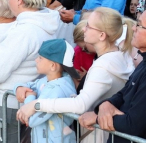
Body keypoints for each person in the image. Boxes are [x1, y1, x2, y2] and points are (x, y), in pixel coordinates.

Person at [17, 7, 135, 143]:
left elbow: (80, 105)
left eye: (89, 27)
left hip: (99, 133)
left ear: (102, 35)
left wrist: (36, 105)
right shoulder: (119, 55)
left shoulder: (103, 66)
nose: (84, 29)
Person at [0, 0, 66, 143]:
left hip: (5, 104)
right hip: (20, 100)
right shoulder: (45, 21)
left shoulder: (24, 32)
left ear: (19, 0)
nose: (8, 0)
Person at [79, 3, 146, 143]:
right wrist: (105, 105)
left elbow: (133, 124)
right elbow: (124, 93)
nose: (133, 28)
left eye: (139, 25)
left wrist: (97, 118)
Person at [13, 39, 78, 143]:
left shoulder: (57, 90)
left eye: (40, 58)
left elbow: (32, 120)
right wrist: (19, 88)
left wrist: (29, 96)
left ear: (53, 66)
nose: (36, 60)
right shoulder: (47, 80)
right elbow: (29, 86)